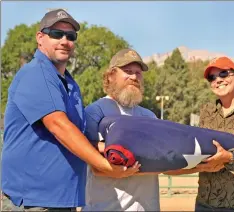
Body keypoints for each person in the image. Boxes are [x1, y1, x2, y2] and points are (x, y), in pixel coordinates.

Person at [1, 9, 139, 211]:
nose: (64, 40)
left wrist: (106, 147)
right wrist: (105, 166)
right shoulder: (36, 73)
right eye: (56, 34)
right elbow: (59, 126)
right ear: (40, 38)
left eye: (71, 36)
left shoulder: (69, 84)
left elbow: (74, 136)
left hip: (61, 199)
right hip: (35, 200)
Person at [166, 56, 234, 211]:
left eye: (223, 74)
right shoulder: (207, 111)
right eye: (212, 77)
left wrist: (229, 157)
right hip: (206, 203)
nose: (218, 80)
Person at [83, 48, 161, 211]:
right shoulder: (95, 112)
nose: (134, 77)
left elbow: (162, 160)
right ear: (111, 76)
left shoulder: (149, 116)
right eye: (127, 71)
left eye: (138, 73)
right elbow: (95, 166)